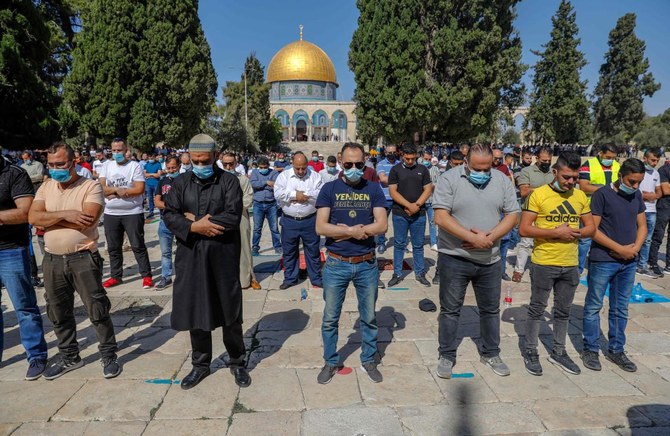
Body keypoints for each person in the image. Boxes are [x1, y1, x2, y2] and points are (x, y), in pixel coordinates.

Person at [162, 134, 251, 390]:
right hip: (191, 257)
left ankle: (237, 361)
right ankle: (200, 364)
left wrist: (197, 221)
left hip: (222, 256)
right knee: (196, 310)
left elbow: (233, 216)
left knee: (229, 312)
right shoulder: (180, 183)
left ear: (215, 156)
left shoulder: (229, 182)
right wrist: (193, 226)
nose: (200, 165)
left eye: (205, 160)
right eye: (196, 161)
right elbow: (170, 214)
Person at [28, 143, 120, 380]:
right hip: (52, 260)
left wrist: (48, 220)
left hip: (83, 258)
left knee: (97, 309)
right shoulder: (46, 187)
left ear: (73, 161)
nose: (55, 168)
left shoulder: (90, 186)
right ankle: (70, 356)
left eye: (60, 164)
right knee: (57, 311)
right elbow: (33, 217)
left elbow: (87, 222)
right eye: (51, 165)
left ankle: (109, 355)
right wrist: (66, 214)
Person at [433, 144, 519, 379]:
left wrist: (489, 239)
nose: (482, 172)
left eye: (487, 167)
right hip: (454, 257)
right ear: (466, 162)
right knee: (450, 310)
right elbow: (440, 216)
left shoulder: (501, 180)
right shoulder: (449, 179)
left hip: (490, 259)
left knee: (490, 310)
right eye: (476, 168)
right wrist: (471, 238)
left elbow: (513, 214)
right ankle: (447, 354)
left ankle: (491, 352)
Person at [315, 143, 388, 384]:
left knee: (368, 316)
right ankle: (330, 360)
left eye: (359, 164)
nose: (354, 168)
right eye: (349, 165)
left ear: (365, 161)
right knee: (330, 317)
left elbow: (382, 225)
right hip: (337, 263)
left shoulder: (374, 188)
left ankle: (368, 358)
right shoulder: (329, 189)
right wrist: (351, 233)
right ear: (340, 161)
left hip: (366, 264)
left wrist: (349, 231)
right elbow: (320, 227)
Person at [518, 152, 595, 376]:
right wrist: (555, 232)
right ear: (555, 173)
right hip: (544, 262)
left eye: (574, 177)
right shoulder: (539, 195)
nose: (570, 182)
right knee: (537, 309)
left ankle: (559, 351)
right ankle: (531, 351)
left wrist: (576, 232)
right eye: (566, 177)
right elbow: (524, 228)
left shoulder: (579, 196)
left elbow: (590, 227)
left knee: (563, 311)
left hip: (570, 263)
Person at [581, 158, 647, 374]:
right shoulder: (602, 195)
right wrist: (618, 248)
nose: (636, 187)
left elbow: (642, 225)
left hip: (628, 262)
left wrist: (634, 248)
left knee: (620, 308)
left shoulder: (636, 195)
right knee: (593, 305)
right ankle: (590, 348)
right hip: (604, 260)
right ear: (621, 176)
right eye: (632, 181)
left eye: (639, 182)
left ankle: (617, 349)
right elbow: (593, 229)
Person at [0, 152, 48, 380]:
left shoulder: (14, 174)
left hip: (10, 249)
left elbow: (25, 212)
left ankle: (36, 355)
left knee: (24, 307)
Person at [99, 138, 153, 289]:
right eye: (114, 150)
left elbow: (139, 189)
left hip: (133, 213)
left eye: (119, 150)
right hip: (111, 213)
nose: (117, 153)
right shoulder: (106, 166)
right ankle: (115, 276)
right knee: (113, 247)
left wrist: (116, 191)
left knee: (137, 245)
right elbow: (101, 187)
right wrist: (118, 190)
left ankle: (146, 275)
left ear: (126, 150)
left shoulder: (134, 166)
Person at [274, 152, 323, 289]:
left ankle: (316, 278)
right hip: (290, 221)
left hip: (310, 220)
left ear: (307, 165)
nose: (301, 171)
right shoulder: (284, 176)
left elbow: (320, 194)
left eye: (303, 168)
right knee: (289, 252)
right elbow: (278, 193)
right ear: (292, 165)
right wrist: (295, 195)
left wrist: (304, 196)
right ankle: (290, 278)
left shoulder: (315, 176)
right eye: (297, 168)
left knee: (313, 251)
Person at [387, 145, 433, 287]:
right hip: (400, 213)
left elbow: (428, 189)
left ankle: (420, 273)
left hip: (419, 214)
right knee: (399, 244)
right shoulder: (395, 170)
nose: (410, 161)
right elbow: (393, 192)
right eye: (407, 158)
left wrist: (417, 205)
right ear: (402, 156)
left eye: (413, 158)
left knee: (418, 245)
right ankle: (397, 273)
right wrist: (408, 205)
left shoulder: (423, 170)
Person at [512, 146, 555, 282]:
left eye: (549, 160)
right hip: (530, 211)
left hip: (548, 212)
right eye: (544, 160)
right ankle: (519, 270)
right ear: (537, 159)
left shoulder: (553, 172)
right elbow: (524, 191)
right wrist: (547, 190)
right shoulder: (526, 171)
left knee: (545, 242)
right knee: (525, 243)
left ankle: (543, 269)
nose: (546, 163)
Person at [578, 144, 620, 274]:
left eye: (613, 158)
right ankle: (578, 268)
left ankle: (600, 266)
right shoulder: (588, 165)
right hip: (591, 208)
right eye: (608, 157)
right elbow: (584, 186)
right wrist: (606, 190)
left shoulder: (617, 166)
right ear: (600, 153)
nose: (611, 160)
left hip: (610, 208)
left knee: (606, 237)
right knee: (585, 240)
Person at [221, 152, 261, 290]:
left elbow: (248, 198)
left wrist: (233, 208)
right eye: (225, 164)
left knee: (244, 247)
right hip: (221, 218)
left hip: (240, 216)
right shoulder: (217, 180)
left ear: (235, 164)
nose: (228, 166)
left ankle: (247, 278)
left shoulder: (243, 179)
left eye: (230, 164)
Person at [154, 156, 179, 289]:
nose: (171, 170)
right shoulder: (163, 182)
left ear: (179, 166)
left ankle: (183, 276)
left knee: (183, 251)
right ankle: (166, 276)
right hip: (165, 221)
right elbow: (157, 202)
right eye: (168, 168)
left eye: (173, 167)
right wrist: (171, 206)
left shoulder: (184, 180)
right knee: (165, 252)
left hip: (180, 221)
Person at [636, 148, 662, 278]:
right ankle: (631, 261)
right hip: (638, 210)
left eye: (657, 160)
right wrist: (643, 196)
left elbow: (659, 192)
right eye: (652, 160)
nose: (655, 162)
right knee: (634, 237)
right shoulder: (638, 172)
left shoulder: (656, 174)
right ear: (645, 158)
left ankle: (642, 265)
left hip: (652, 211)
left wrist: (654, 196)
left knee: (647, 240)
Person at [250, 156, 282, 256]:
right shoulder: (254, 172)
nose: (263, 169)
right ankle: (255, 247)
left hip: (271, 204)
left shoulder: (274, 173)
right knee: (257, 228)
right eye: (261, 167)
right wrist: (266, 183)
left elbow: (276, 186)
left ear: (268, 166)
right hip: (258, 204)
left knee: (274, 228)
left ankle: (277, 246)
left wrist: (262, 186)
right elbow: (254, 184)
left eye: (265, 167)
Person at [374, 145, 399, 254]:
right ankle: (381, 243)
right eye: (389, 152)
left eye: (393, 152)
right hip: (386, 198)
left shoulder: (400, 164)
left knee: (399, 222)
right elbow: (383, 179)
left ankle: (399, 243)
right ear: (385, 152)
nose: (391, 154)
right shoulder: (381, 164)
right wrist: (401, 181)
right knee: (382, 222)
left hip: (399, 198)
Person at [648, 156, 670, 277]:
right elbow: (666, 190)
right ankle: (653, 262)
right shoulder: (664, 170)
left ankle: (669, 264)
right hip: (664, 207)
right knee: (658, 236)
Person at [425, 154, 441, 251]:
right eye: (425, 159)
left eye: (429, 159)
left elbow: (439, 183)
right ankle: (416, 243)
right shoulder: (417, 168)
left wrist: (430, 186)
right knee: (419, 223)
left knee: (432, 222)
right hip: (420, 201)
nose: (427, 161)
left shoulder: (435, 169)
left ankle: (433, 242)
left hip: (431, 200)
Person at [143, 152, 163, 219]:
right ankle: (151, 212)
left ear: (154, 157)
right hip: (148, 184)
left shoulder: (158, 164)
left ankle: (161, 212)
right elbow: (145, 174)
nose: (151, 158)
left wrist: (150, 175)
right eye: (150, 157)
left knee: (158, 197)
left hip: (156, 183)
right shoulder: (146, 164)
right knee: (150, 198)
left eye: (152, 157)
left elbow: (159, 175)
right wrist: (153, 174)